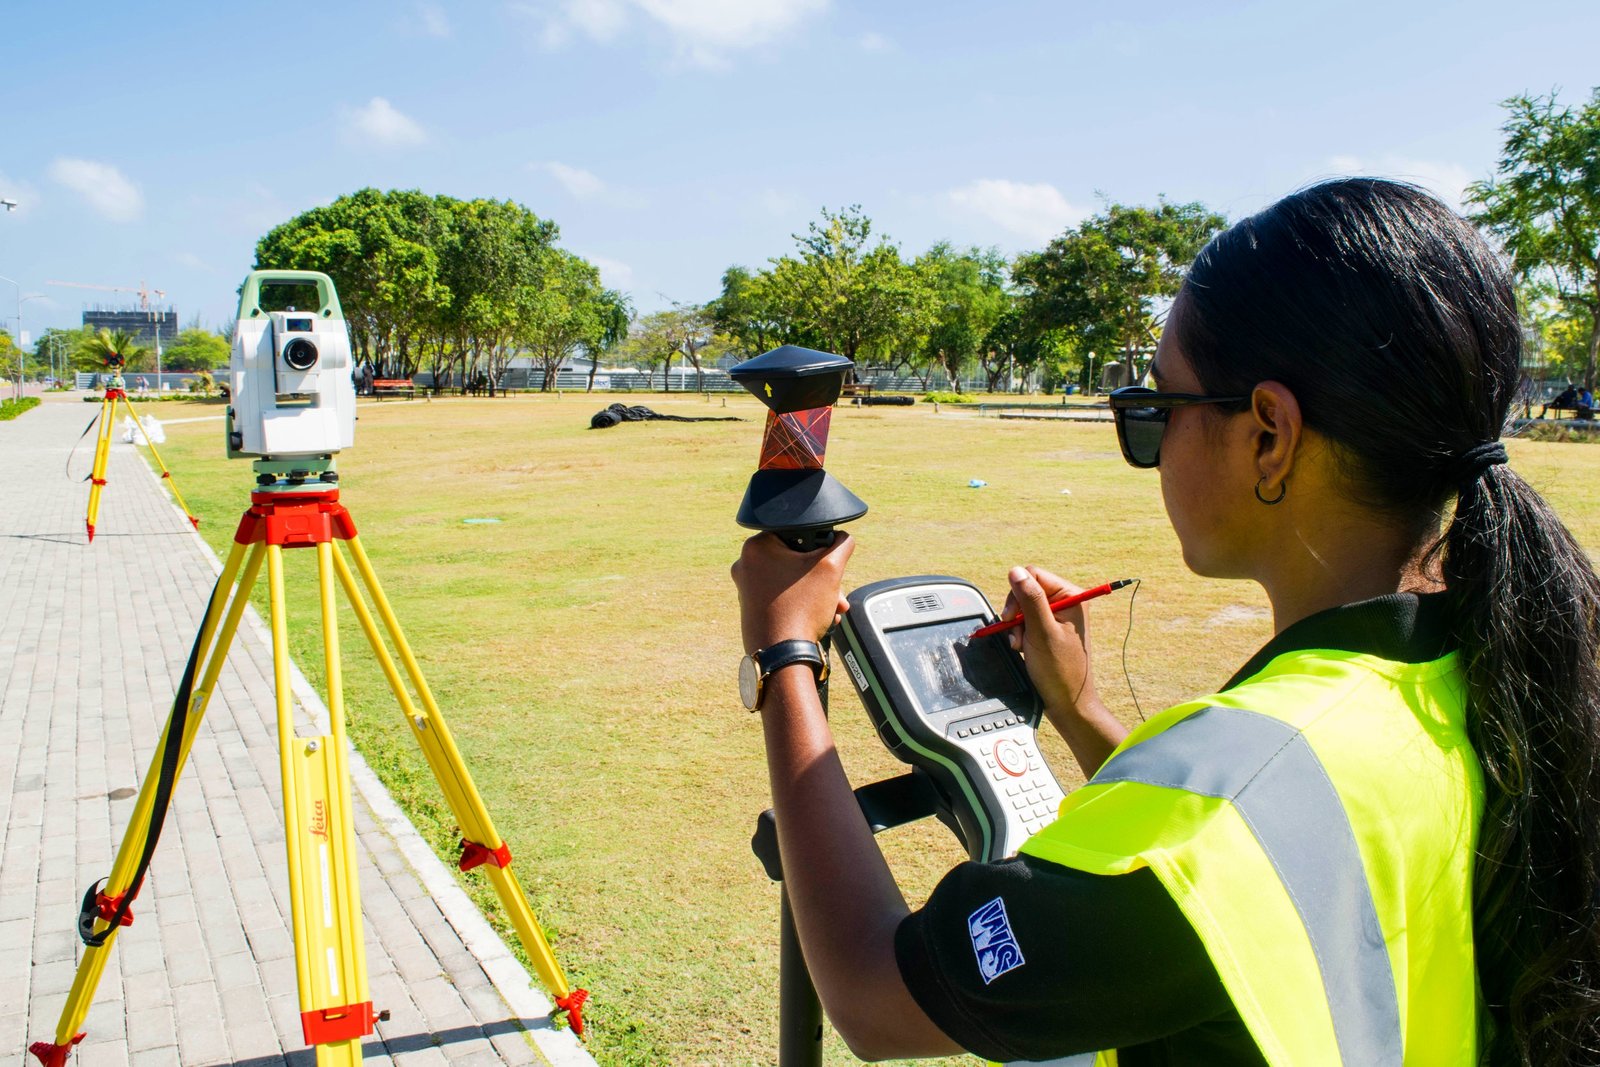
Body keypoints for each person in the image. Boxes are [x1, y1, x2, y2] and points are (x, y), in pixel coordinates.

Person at [732, 179, 1600, 1065]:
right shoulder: (1494, 677)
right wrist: (1083, 713)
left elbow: (879, 999)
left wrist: (784, 651)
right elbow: (1264, 865)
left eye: (1155, 412)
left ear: (1269, 434)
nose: (1150, 450)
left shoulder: (1232, 790)